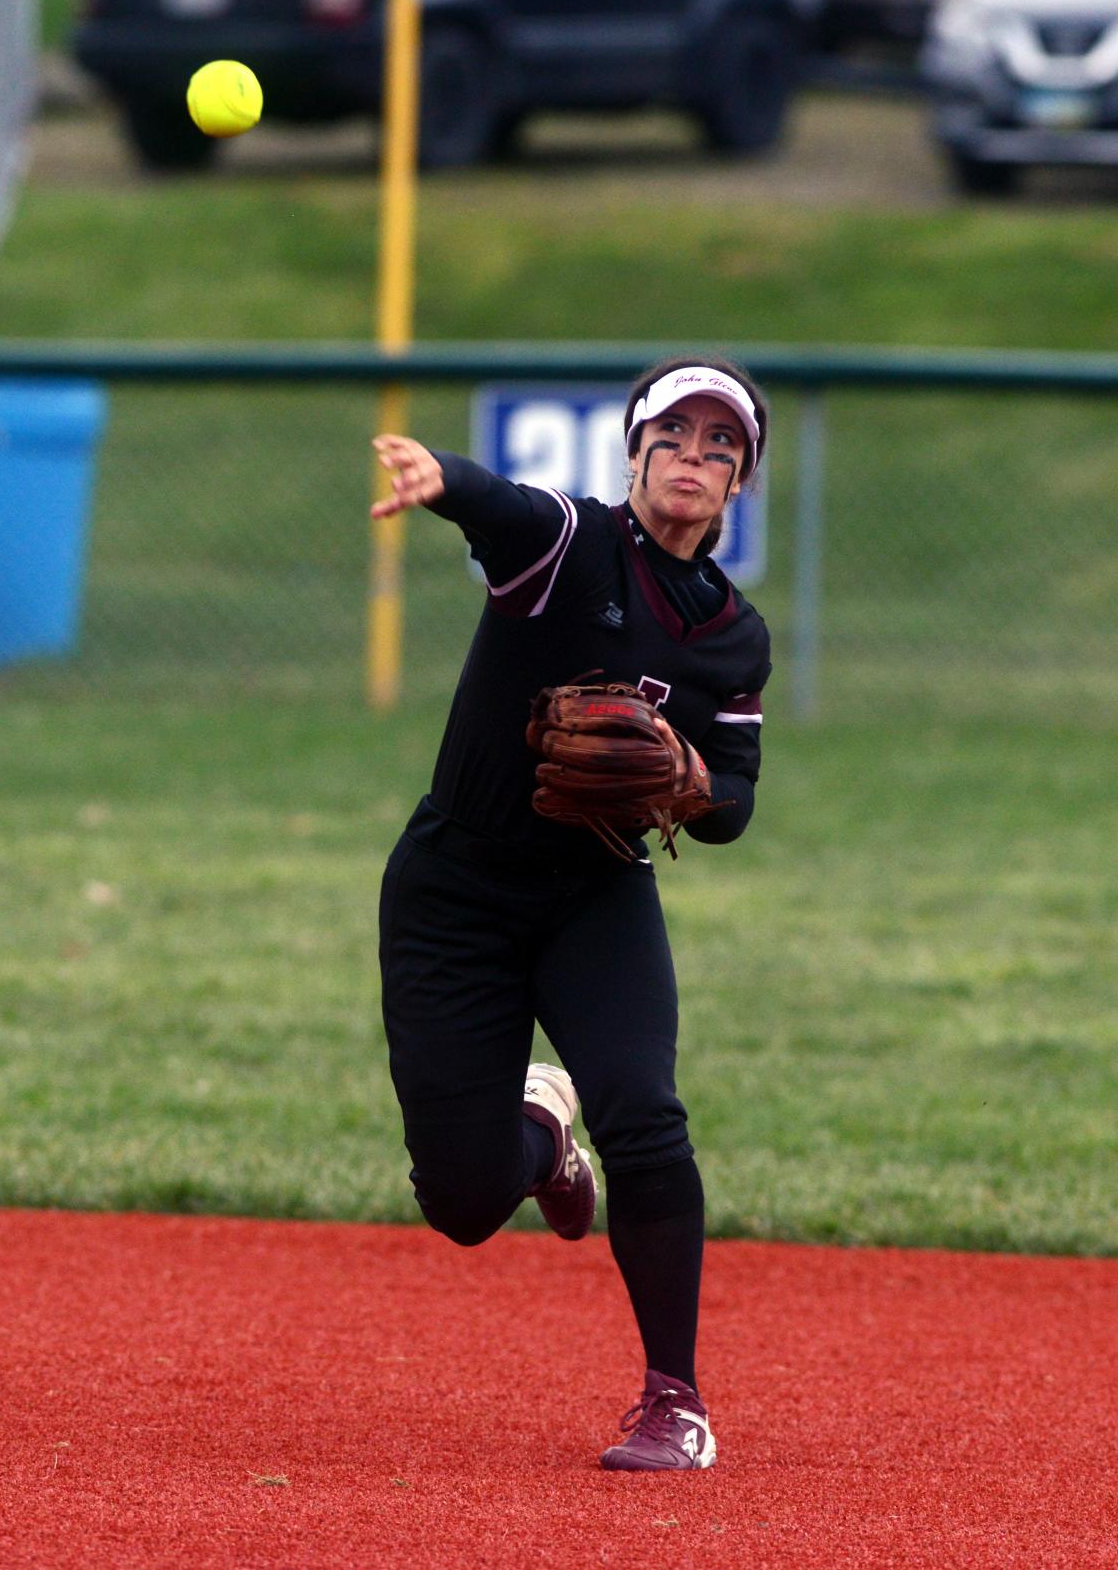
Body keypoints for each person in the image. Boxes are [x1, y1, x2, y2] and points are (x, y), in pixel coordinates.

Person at [372, 355, 772, 1471]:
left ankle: (674, 1399)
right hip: (455, 889)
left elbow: (735, 802)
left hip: (597, 891)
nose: (694, 458)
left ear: (739, 480)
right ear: (634, 453)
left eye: (719, 445)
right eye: (675, 437)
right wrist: (437, 476)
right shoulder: (568, 548)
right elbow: (500, 505)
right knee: (459, 1200)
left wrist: (692, 781)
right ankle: (544, 1134)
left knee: (647, 1113)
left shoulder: (735, 639)